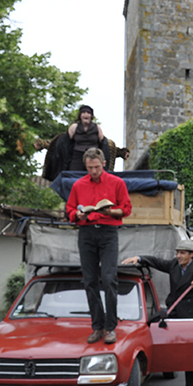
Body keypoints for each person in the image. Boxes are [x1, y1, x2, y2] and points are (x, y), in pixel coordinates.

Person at [121, 239, 193, 386]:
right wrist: (138, 258)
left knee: (192, 354)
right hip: (174, 311)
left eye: (182, 253)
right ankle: (149, 370)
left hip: (192, 316)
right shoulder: (173, 265)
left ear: (191, 255)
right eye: (177, 252)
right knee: (152, 328)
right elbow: (156, 261)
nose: (178, 256)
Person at [67, 147, 131, 344]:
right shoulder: (78, 185)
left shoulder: (117, 183)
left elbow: (126, 209)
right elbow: (69, 209)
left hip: (108, 232)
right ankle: (97, 326)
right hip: (86, 232)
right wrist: (77, 214)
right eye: (89, 168)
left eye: (96, 167)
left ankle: (111, 327)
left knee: (109, 278)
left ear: (103, 164)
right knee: (89, 281)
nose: (93, 171)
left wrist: (110, 212)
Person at [66, 105, 105, 172]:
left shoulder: (97, 127)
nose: (86, 115)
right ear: (80, 115)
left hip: (93, 156)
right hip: (77, 157)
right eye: (83, 113)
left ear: (91, 116)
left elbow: (104, 144)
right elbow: (66, 143)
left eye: (88, 113)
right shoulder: (74, 127)